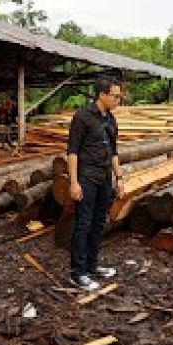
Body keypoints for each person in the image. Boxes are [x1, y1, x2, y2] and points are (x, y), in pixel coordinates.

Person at [66, 76, 125, 291]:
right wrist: (74, 182)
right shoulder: (82, 117)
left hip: (104, 178)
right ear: (102, 95)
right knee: (84, 223)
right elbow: (72, 152)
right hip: (86, 177)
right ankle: (77, 272)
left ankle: (92, 265)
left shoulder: (110, 120)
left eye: (119, 96)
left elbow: (113, 152)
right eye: (115, 96)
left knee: (99, 222)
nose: (119, 100)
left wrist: (119, 178)